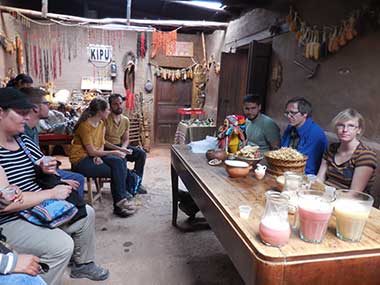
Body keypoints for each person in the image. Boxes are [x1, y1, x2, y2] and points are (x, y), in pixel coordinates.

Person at [0, 88, 109, 284]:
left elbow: (42, 163)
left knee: (87, 213)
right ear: (1, 113)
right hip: (10, 219)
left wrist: (46, 168)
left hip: (36, 206)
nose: (27, 118)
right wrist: (51, 193)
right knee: (62, 246)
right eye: (21, 113)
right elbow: (7, 204)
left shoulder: (22, 140)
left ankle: (82, 265)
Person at [69, 97, 137, 218]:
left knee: (119, 161)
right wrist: (113, 152)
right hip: (80, 161)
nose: (109, 112)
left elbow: (101, 143)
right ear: (100, 112)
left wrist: (99, 155)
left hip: (92, 156)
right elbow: (91, 151)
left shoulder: (100, 123)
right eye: (107, 110)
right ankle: (119, 204)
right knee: (116, 169)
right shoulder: (85, 126)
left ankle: (120, 201)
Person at [19, 87, 85, 198]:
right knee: (77, 179)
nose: (49, 106)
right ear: (35, 108)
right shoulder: (22, 131)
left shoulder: (33, 128)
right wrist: (60, 180)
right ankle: (74, 209)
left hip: (39, 171)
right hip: (33, 175)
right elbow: (28, 168)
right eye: (46, 103)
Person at [317, 109, 377, 193]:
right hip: (325, 195)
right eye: (341, 125)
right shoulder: (331, 148)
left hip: (348, 201)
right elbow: (320, 179)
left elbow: (354, 194)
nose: (345, 130)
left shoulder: (365, 155)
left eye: (351, 126)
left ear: (359, 130)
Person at [104, 94, 147, 194]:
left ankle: (137, 182)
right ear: (110, 106)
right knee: (119, 159)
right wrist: (120, 151)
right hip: (107, 148)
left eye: (120, 103)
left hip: (120, 146)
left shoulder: (125, 120)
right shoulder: (105, 119)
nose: (119, 106)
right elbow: (102, 141)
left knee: (141, 154)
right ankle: (124, 187)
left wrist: (123, 149)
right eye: (115, 104)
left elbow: (126, 139)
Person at [281, 97, 328, 174]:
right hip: (286, 169)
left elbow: (307, 166)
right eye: (287, 113)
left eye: (293, 113)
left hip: (305, 175)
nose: (289, 116)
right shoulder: (290, 127)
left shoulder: (315, 133)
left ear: (305, 113)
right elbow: (282, 151)